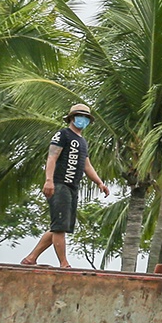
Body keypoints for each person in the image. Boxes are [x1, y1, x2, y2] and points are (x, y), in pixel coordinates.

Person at [20, 103, 109, 267]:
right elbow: (52, 157)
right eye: (79, 116)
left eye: (86, 117)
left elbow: (86, 165)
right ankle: (64, 263)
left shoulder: (82, 142)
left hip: (72, 187)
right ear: (72, 118)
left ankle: (31, 258)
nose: (82, 120)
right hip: (59, 184)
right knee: (60, 227)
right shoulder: (63, 135)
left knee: (59, 226)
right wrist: (49, 180)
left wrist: (99, 182)